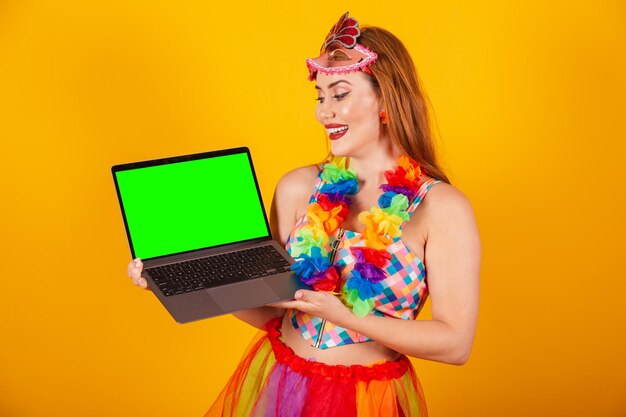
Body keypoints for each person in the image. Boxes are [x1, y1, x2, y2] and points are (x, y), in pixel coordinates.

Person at [127, 12, 480, 417]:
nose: (324, 111)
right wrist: (174, 284)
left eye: (340, 94)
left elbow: (455, 344)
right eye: (320, 96)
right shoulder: (298, 188)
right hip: (282, 386)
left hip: (369, 402)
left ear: (385, 98)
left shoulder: (442, 208)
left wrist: (346, 317)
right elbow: (268, 313)